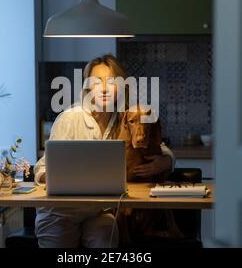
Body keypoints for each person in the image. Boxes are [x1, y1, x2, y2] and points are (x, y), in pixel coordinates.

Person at [34, 54, 175, 248]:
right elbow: (41, 168)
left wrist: (166, 161)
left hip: (100, 211)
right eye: (97, 82)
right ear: (87, 87)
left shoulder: (125, 117)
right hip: (60, 212)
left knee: (105, 237)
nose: (104, 88)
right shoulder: (70, 118)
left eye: (111, 81)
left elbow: (161, 149)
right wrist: (51, 178)